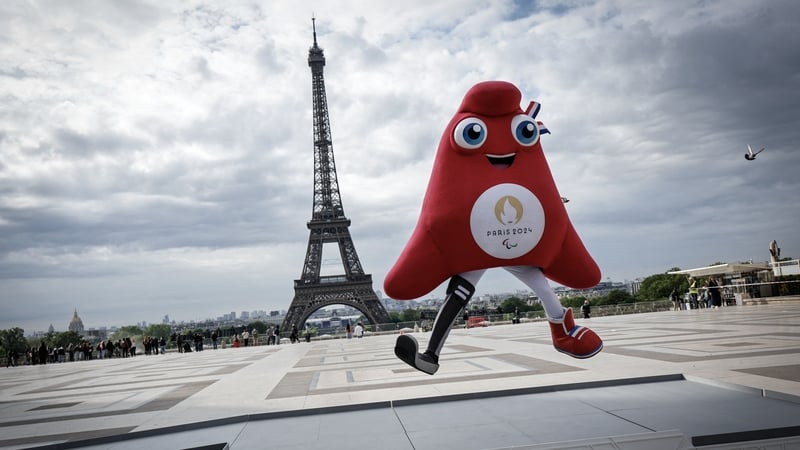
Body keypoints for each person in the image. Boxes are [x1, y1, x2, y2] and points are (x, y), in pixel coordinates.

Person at [385, 82, 603, 376]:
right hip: (500, 242)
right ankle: (561, 331)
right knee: (534, 284)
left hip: (492, 240)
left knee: (468, 292)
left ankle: (432, 353)